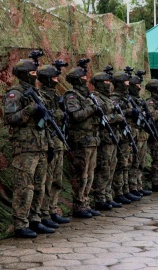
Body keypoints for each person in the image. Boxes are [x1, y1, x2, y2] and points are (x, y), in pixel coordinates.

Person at [3, 59, 53, 238]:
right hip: (25, 148)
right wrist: (29, 110)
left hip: (40, 146)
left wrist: (50, 145)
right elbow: (10, 119)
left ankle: (35, 219)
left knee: (39, 186)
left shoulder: (37, 93)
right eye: (32, 73)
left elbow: (45, 123)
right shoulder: (15, 94)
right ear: (23, 74)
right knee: (24, 187)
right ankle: (20, 223)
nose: (35, 76)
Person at [36, 65, 71, 226]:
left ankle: (52, 209)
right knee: (47, 181)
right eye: (54, 78)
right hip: (48, 142)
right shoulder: (41, 96)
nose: (57, 81)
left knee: (57, 180)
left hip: (58, 142)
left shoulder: (56, 96)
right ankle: (43, 213)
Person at [64, 67, 100, 218]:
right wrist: (92, 108)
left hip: (91, 140)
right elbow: (76, 116)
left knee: (90, 174)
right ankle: (79, 205)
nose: (86, 80)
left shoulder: (88, 95)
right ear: (77, 80)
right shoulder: (71, 96)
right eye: (84, 78)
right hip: (81, 141)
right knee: (81, 175)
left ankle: (85, 202)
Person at [90, 72, 123, 211]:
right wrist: (116, 117)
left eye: (109, 82)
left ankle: (107, 196)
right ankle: (100, 198)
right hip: (104, 138)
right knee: (103, 168)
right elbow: (101, 119)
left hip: (112, 138)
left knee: (111, 167)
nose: (108, 84)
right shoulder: (96, 98)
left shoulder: (107, 98)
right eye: (105, 82)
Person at [110, 71, 143, 203]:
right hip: (122, 135)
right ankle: (119, 191)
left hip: (130, 134)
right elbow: (113, 113)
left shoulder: (126, 98)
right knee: (122, 164)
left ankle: (127, 189)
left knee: (129, 162)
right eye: (126, 82)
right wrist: (130, 111)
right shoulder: (115, 98)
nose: (128, 85)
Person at [128, 74, 154, 196]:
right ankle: (132, 187)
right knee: (133, 162)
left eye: (140, 85)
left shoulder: (139, 100)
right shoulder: (127, 99)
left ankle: (138, 185)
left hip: (141, 134)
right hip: (133, 135)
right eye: (137, 85)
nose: (139, 88)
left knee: (140, 162)